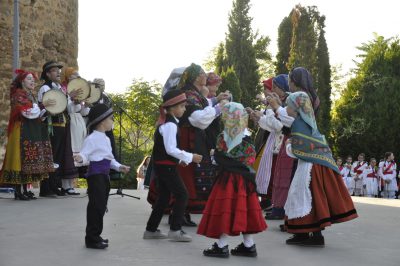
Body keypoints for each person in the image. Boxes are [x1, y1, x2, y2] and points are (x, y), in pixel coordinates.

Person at [274, 92, 357, 247]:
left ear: (296, 108)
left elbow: (296, 150)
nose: (287, 109)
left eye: (289, 106)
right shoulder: (306, 121)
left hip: (310, 166)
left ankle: (313, 234)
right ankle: (303, 232)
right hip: (314, 164)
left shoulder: (300, 124)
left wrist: (288, 145)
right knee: (306, 197)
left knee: (307, 197)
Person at [198, 102, 267, 258]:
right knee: (244, 210)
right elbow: (250, 159)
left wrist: (216, 155)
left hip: (227, 180)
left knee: (225, 209)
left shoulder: (223, 137)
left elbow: (219, 158)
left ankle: (222, 245)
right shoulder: (248, 136)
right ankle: (249, 245)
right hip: (246, 181)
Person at [143, 89, 202, 242]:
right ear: (172, 108)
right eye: (182, 106)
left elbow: (167, 149)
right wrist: (191, 157)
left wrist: (179, 159)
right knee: (182, 194)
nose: (184, 109)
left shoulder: (168, 123)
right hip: (166, 167)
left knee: (163, 197)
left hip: (163, 165)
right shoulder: (170, 125)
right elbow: (170, 149)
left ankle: (151, 230)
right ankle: (175, 230)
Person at [176, 63, 230, 223]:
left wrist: (215, 101)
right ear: (194, 77)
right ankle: (179, 214)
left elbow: (203, 107)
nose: (205, 75)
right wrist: (219, 108)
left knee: (191, 175)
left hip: (194, 138)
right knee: (187, 175)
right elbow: (198, 119)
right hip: (188, 139)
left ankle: (182, 213)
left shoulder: (194, 94)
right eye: (202, 72)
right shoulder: (189, 95)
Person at [73, 103, 130, 249]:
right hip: (95, 176)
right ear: (102, 121)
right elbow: (85, 155)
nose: (113, 121)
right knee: (95, 207)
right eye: (111, 118)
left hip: (104, 176)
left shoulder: (105, 139)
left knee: (101, 206)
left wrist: (119, 166)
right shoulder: (91, 139)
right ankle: (91, 239)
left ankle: (96, 235)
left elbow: (109, 159)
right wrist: (80, 158)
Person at [0, 69, 54, 200]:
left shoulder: (30, 95)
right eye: (29, 79)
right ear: (22, 81)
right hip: (21, 131)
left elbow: (35, 113)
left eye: (33, 79)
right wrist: (42, 106)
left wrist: (45, 110)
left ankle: (25, 189)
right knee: (20, 159)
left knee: (28, 160)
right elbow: (26, 112)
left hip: (30, 130)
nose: (32, 81)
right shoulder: (18, 94)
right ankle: (18, 191)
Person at [38, 61, 78, 197]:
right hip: (51, 127)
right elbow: (43, 107)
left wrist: (72, 99)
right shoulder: (45, 88)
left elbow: (65, 106)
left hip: (62, 125)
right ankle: (46, 188)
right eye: (55, 70)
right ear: (48, 74)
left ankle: (56, 185)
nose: (58, 73)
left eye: (59, 70)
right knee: (51, 156)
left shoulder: (60, 88)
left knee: (59, 157)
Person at [62, 67, 89, 194]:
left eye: (78, 76)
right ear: (68, 77)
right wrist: (72, 100)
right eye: (74, 76)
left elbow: (83, 112)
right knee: (70, 152)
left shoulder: (78, 91)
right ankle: (65, 185)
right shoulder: (64, 90)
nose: (77, 78)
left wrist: (85, 105)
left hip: (79, 122)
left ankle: (71, 184)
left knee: (77, 152)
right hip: (71, 122)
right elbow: (67, 108)